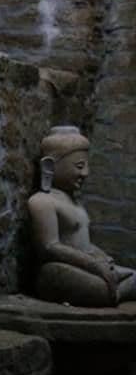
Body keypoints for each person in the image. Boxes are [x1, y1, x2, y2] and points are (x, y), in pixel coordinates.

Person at [28, 126, 135, 307]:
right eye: (79, 166)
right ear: (50, 166)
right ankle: (112, 290)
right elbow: (49, 247)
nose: (85, 173)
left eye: (86, 166)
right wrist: (95, 265)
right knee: (102, 288)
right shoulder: (41, 202)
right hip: (58, 268)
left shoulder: (74, 202)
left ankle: (114, 288)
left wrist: (102, 257)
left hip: (86, 267)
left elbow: (83, 244)